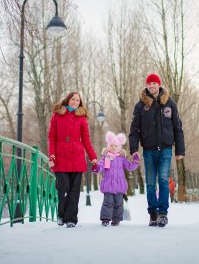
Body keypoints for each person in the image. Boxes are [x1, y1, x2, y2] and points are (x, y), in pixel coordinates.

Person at [129, 73, 185, 227]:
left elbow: (177, 128)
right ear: (146, 86)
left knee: (163, 180)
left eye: (154, 83)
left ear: (159, 84)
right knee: (151, 183)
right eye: (149, 83)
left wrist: (180, 150)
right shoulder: (140, 105)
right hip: (148, 150)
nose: (152, 86)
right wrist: (134, 149)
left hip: (166, 149)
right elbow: (134, 129)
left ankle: (163, 213)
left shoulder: (169, 104)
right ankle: (153, 214)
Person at [48, 91, 98, 228]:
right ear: (68, 100)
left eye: (78, 100)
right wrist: (51, 154)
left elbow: (86, 140)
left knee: (74, 190)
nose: (75, 102)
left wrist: (93, 158)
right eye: (73, 99)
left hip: (77, 157)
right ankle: (61, 215)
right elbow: (51, 137)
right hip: (61, 157)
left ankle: (71, 219)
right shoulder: (57, 116)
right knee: (63, 188)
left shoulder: (81, 118)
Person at [91, 131, 139, 226]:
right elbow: (100, 166)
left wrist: (135, 161)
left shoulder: (122, 159)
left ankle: (116, 219)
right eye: (111, 145)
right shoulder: (105, 157)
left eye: (115, 146)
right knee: (108, 202)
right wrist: (96, 168)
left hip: (119, 185)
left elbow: (129, 167)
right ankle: (105, 218)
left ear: (119, 147)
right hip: (108, 184)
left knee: (118, 203)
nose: (113, 147)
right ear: (108, 146)